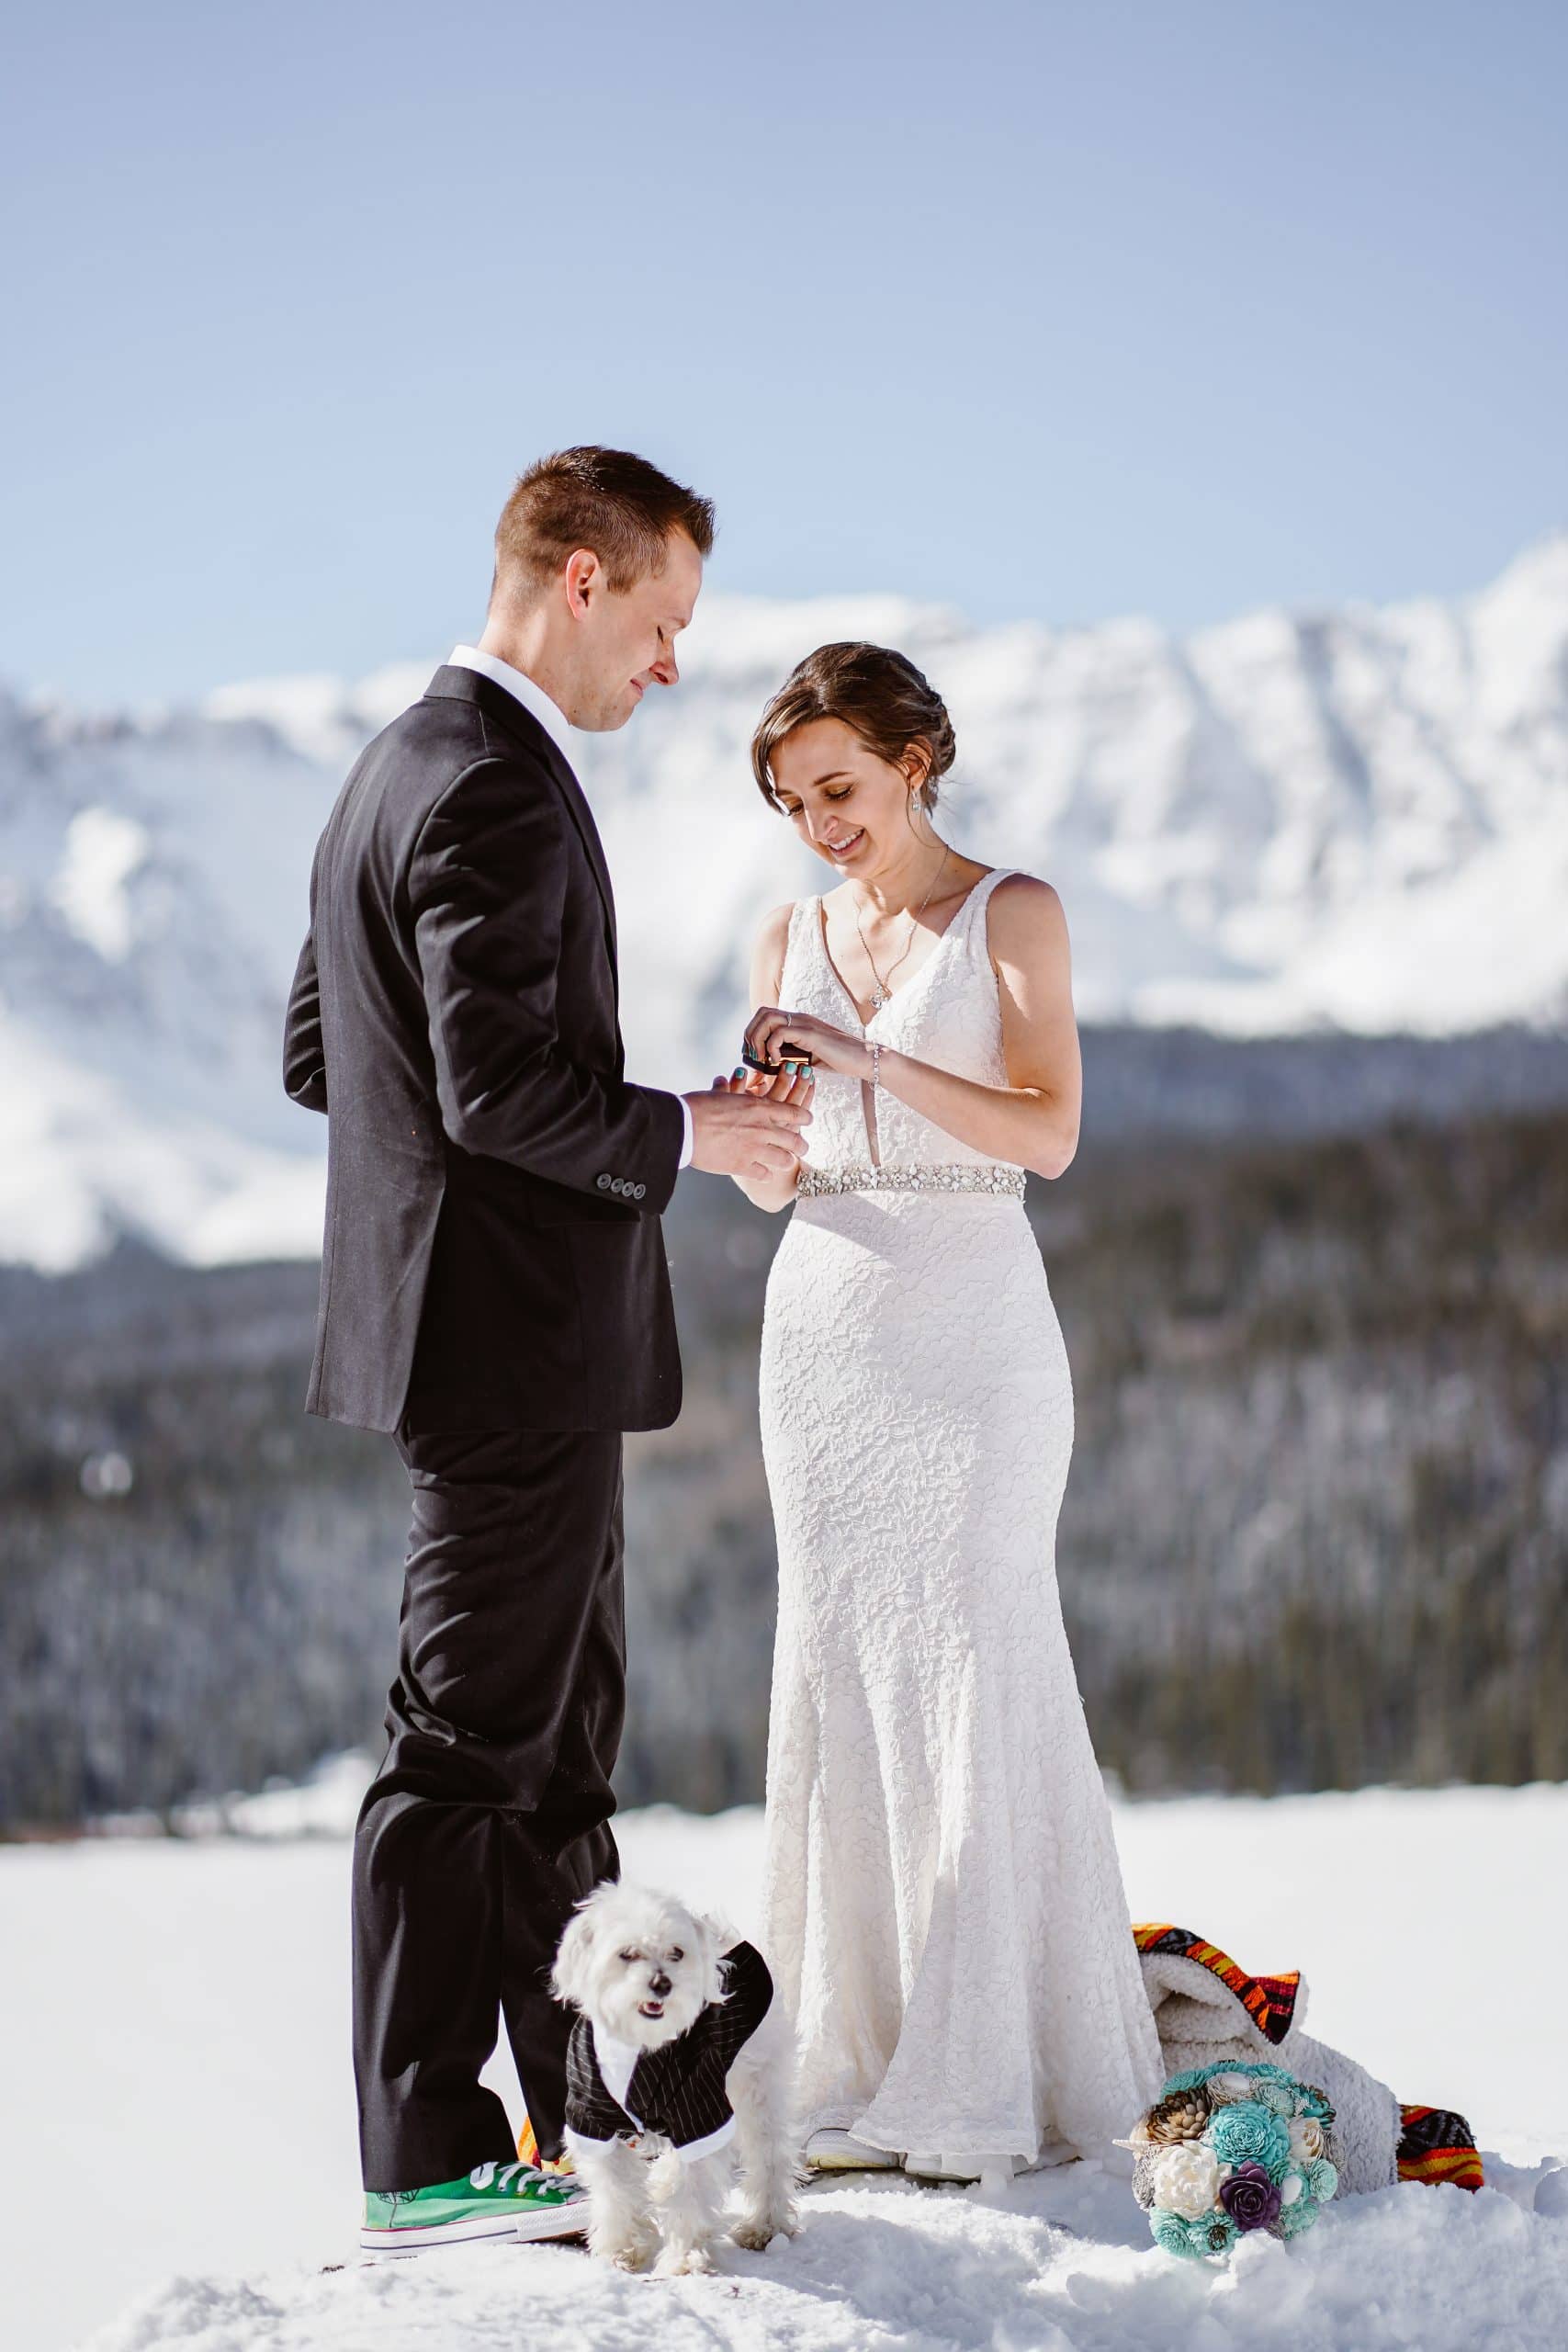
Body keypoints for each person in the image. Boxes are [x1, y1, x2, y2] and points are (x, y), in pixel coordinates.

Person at [282, 447, 809, 2253]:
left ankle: (581, 2102)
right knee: (459, 1754)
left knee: (555, 1752)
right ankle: (426, 2142)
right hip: (500, 1348)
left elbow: (325, 1053)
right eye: (661, 621)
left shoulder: (391, 771)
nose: (668, 663)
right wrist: (687, 1129)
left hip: (495, 1341)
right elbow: (488, 1079)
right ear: (577, 581)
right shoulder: (492, 786)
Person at [723, 640, 1164, 2183]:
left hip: (973, 1322)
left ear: (916, 758)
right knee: (839, 1662)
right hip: (822, 1325)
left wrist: (868, 1054)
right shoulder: (787, 928)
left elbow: (1049, 1136)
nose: (819, 824)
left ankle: (987, 2069)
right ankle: (861, 2050)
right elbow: (783, 1165)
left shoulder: (1012, 911)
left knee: (979, 1649)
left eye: (838, 787)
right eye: (792, 801)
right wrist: (741, 1136)